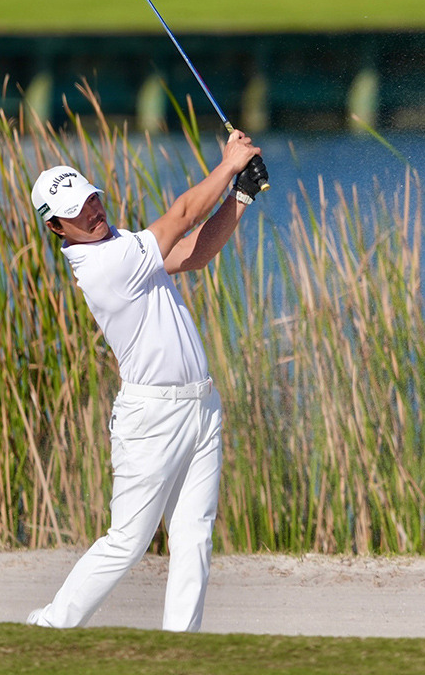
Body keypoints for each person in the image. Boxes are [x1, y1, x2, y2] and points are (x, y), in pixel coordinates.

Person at [25, 129, 268, 632]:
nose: (93, 210)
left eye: (92, 197)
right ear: (56, 227)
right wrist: (227, 166)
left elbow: (193, 253)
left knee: (194, 534)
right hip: (151, 418)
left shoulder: (124, 244)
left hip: (201, 405)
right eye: (78, 209)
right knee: (128, 540)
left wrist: (240, 197)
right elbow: (182, 215)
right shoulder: (102, 265)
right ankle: (51, 625)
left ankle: (180, 646)